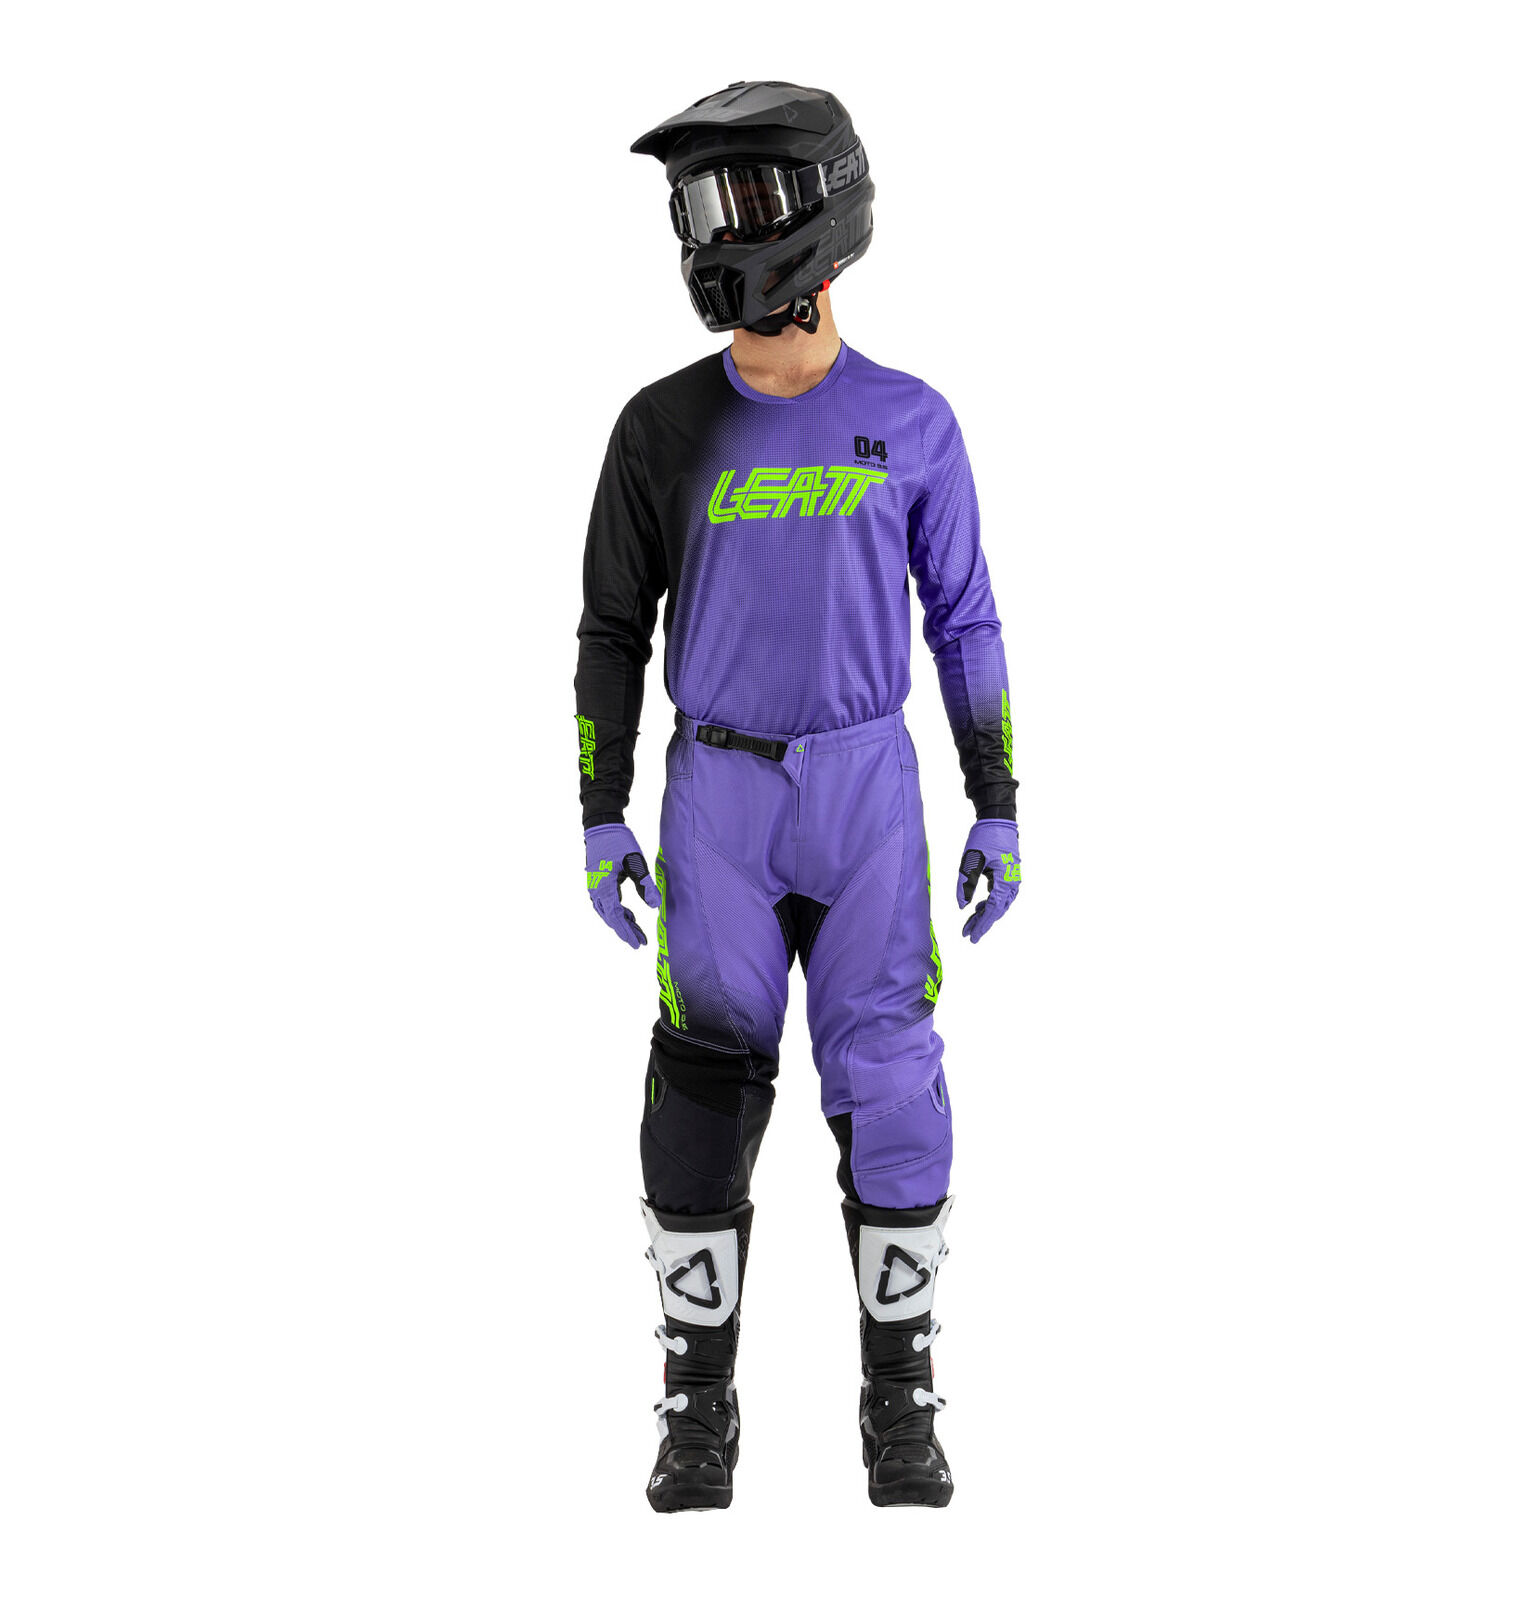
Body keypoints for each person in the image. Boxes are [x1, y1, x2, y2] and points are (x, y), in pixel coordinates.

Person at [575, 81, 1021, 1512]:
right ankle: (696, 1411)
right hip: (718, 796)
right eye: (696, 205)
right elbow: (610, 628)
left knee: (893, 1086)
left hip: (867, 793)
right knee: (702, 1088)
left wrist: (997, 797)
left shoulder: (913, 422)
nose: (715, 235)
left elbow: (965, 616)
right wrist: (598, 809)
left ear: (828, 209)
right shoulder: (660, 428)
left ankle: (902, 1401)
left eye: (744, 200)